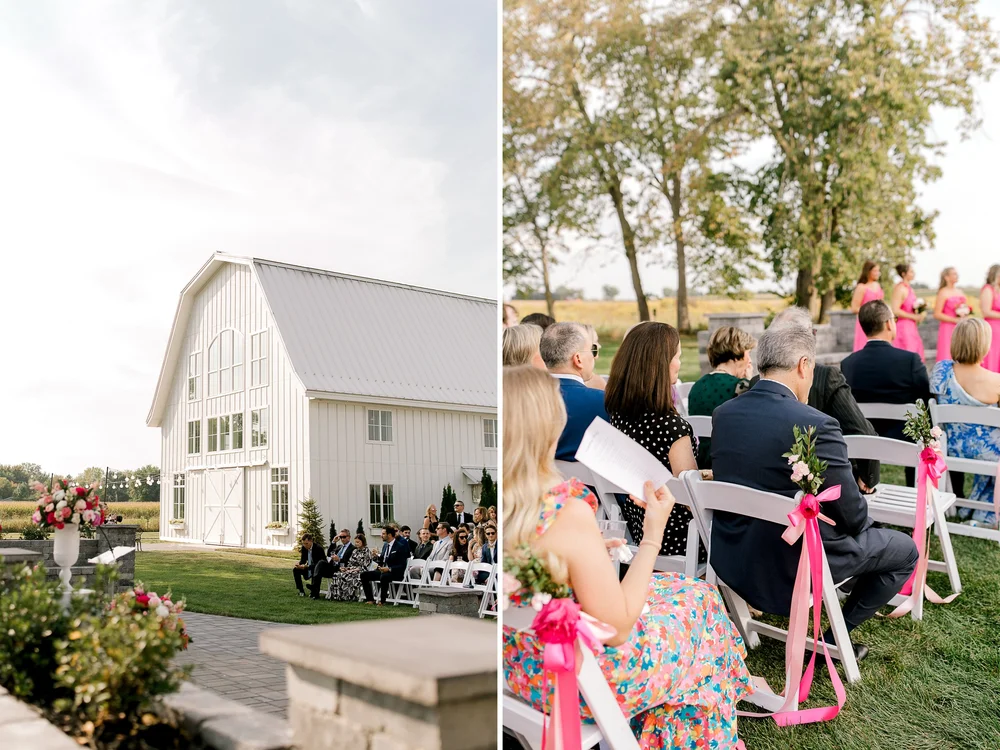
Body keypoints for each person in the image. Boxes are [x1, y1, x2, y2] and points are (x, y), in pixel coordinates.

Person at [502, 365, 751, 748]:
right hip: (583, 679)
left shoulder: (505, 510)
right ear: (547, 427)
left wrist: (580, 558)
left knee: (676, 587)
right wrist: (652, 536)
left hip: (521, 669)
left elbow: (534, 574)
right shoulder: (566, 511)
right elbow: (617, 629)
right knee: (702, 601)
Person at [712, 325, 918, 651]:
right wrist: (866, 524)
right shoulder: (816, 424)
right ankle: (835, 641)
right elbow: (852, 516)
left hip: (735, 558)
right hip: (794, 565)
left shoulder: (724, 414)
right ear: (803, 365)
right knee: (905, 550)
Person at [755, 306, 881, 490]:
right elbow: (861, 431)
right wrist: (868, 477)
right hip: (822, 487)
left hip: (767, 486)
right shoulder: (827, 377)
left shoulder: (756, 383)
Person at [605, 321, 700, 557]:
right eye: (677, 357)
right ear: (660, 364)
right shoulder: (672, 427)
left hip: (641, 527)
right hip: (679, 539)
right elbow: (692, 499)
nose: (679, 363)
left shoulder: (619, 415)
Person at [842, 300, 932, 486]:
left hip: (863, 440)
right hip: (904, 440)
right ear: (888, 324)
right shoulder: (910, 361)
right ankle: (914, 487)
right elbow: (925, 400)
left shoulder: (848, 364)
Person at [931, 318, 1000, 527]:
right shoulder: (996, 381)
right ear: (984, 344)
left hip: (951, 448)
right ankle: (986, 510)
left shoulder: (941, 372)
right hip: (990, 454)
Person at [687, 326, 756, 469]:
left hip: (702, 464)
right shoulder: (741, 387)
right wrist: (749, 382)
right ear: (738, 352)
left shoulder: (696, 387)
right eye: (748, 353)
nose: (750, 360)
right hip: (731, 465)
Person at [541, 322, 609, 460]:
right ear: (578, 359)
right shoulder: (604, 402)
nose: (594, 356)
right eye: (592, 350)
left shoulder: (523, 400)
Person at [361, 527, 409, 606]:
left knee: (384, 577)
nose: (381, 535)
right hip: (383, 571)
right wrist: (376, 558)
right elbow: (382, 560)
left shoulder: (400, 547)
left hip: (395, 572)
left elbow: (402, 565)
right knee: (364, 575)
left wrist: (389, 569)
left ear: (389, 535)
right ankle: (370, 599)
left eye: (383, 534)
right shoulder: (385, 545)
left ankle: (382, 601)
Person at [935, 266, 971, 362]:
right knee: (947, 353)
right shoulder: (943, 292)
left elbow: (965, 308)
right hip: (947, 328)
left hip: (961, 327)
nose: (957, 275)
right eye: (954, 274)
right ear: (946, 277)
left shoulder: (960, 291)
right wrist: (954, 320)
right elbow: (937, 314)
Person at [891, 262, 926, 360]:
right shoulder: (900, 289)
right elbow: (895, 310)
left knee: (915, 352)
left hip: (912, 326)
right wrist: (913, 316)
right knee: (907, 352)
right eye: (911, 272)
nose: (913, 273)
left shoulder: (910, 289)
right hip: (903, 327)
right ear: (903, 274)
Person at [308, 529, 355, 599]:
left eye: (344, 537)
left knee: (320, 564)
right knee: (319, 565)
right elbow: (329, 554)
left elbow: (350, 562)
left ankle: (314, 590)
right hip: (332, 567)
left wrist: (339, 560)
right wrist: (333, 542)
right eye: (341, 537)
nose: (342, 539)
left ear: (349, 537)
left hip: (341, 568)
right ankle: (315, 592)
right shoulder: (339, 547)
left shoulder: (353, 548)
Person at [851, 260, 885, 352]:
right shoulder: (861, 287)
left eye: (878, 271)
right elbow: (854, 308)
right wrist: (870, 312)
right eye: (875, 271)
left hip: (878, 323)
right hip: (865, 323)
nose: (878, 273)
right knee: (864, 347)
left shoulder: (877, 285)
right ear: (868, 271)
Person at [329, 534, 373, 602]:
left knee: (345, 576)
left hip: (361, 572)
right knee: (337, 574)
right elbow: (350, 563)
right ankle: (337, 596)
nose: (356, 544)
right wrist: (346, 568)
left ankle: (347, 596)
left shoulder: (367, 552)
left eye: (358, 542)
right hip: (351, 570)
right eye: (355, 542)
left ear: (363, 542)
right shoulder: (355, 551)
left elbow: (365, 566)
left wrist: (353, 570)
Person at [980, 265, 1000, 372]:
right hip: (993, 328)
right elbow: (986, 311)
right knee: (994, 353)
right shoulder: (988, 289)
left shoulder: (998, 290)